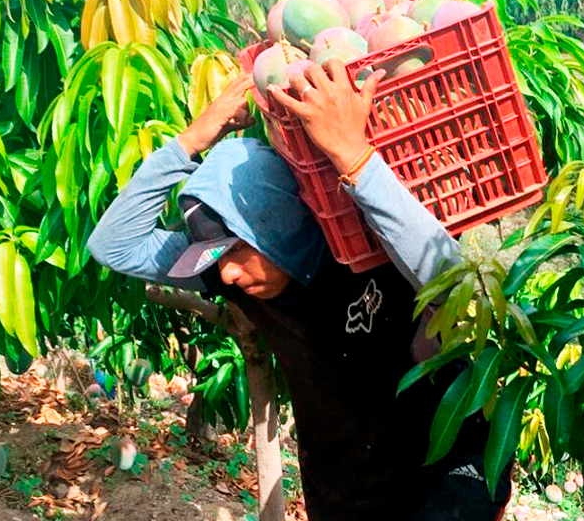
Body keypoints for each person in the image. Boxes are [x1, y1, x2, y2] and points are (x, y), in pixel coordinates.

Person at [88, 60, 512, 520]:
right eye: (213, 258)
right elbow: (114, 243)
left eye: (234, 251)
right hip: (346, 489)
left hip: (447, 468)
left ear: (280, 226)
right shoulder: (233, 277)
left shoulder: (362, 245)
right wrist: (191, 141)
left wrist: (355, 158)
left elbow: (459, 284)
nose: (225, 275)